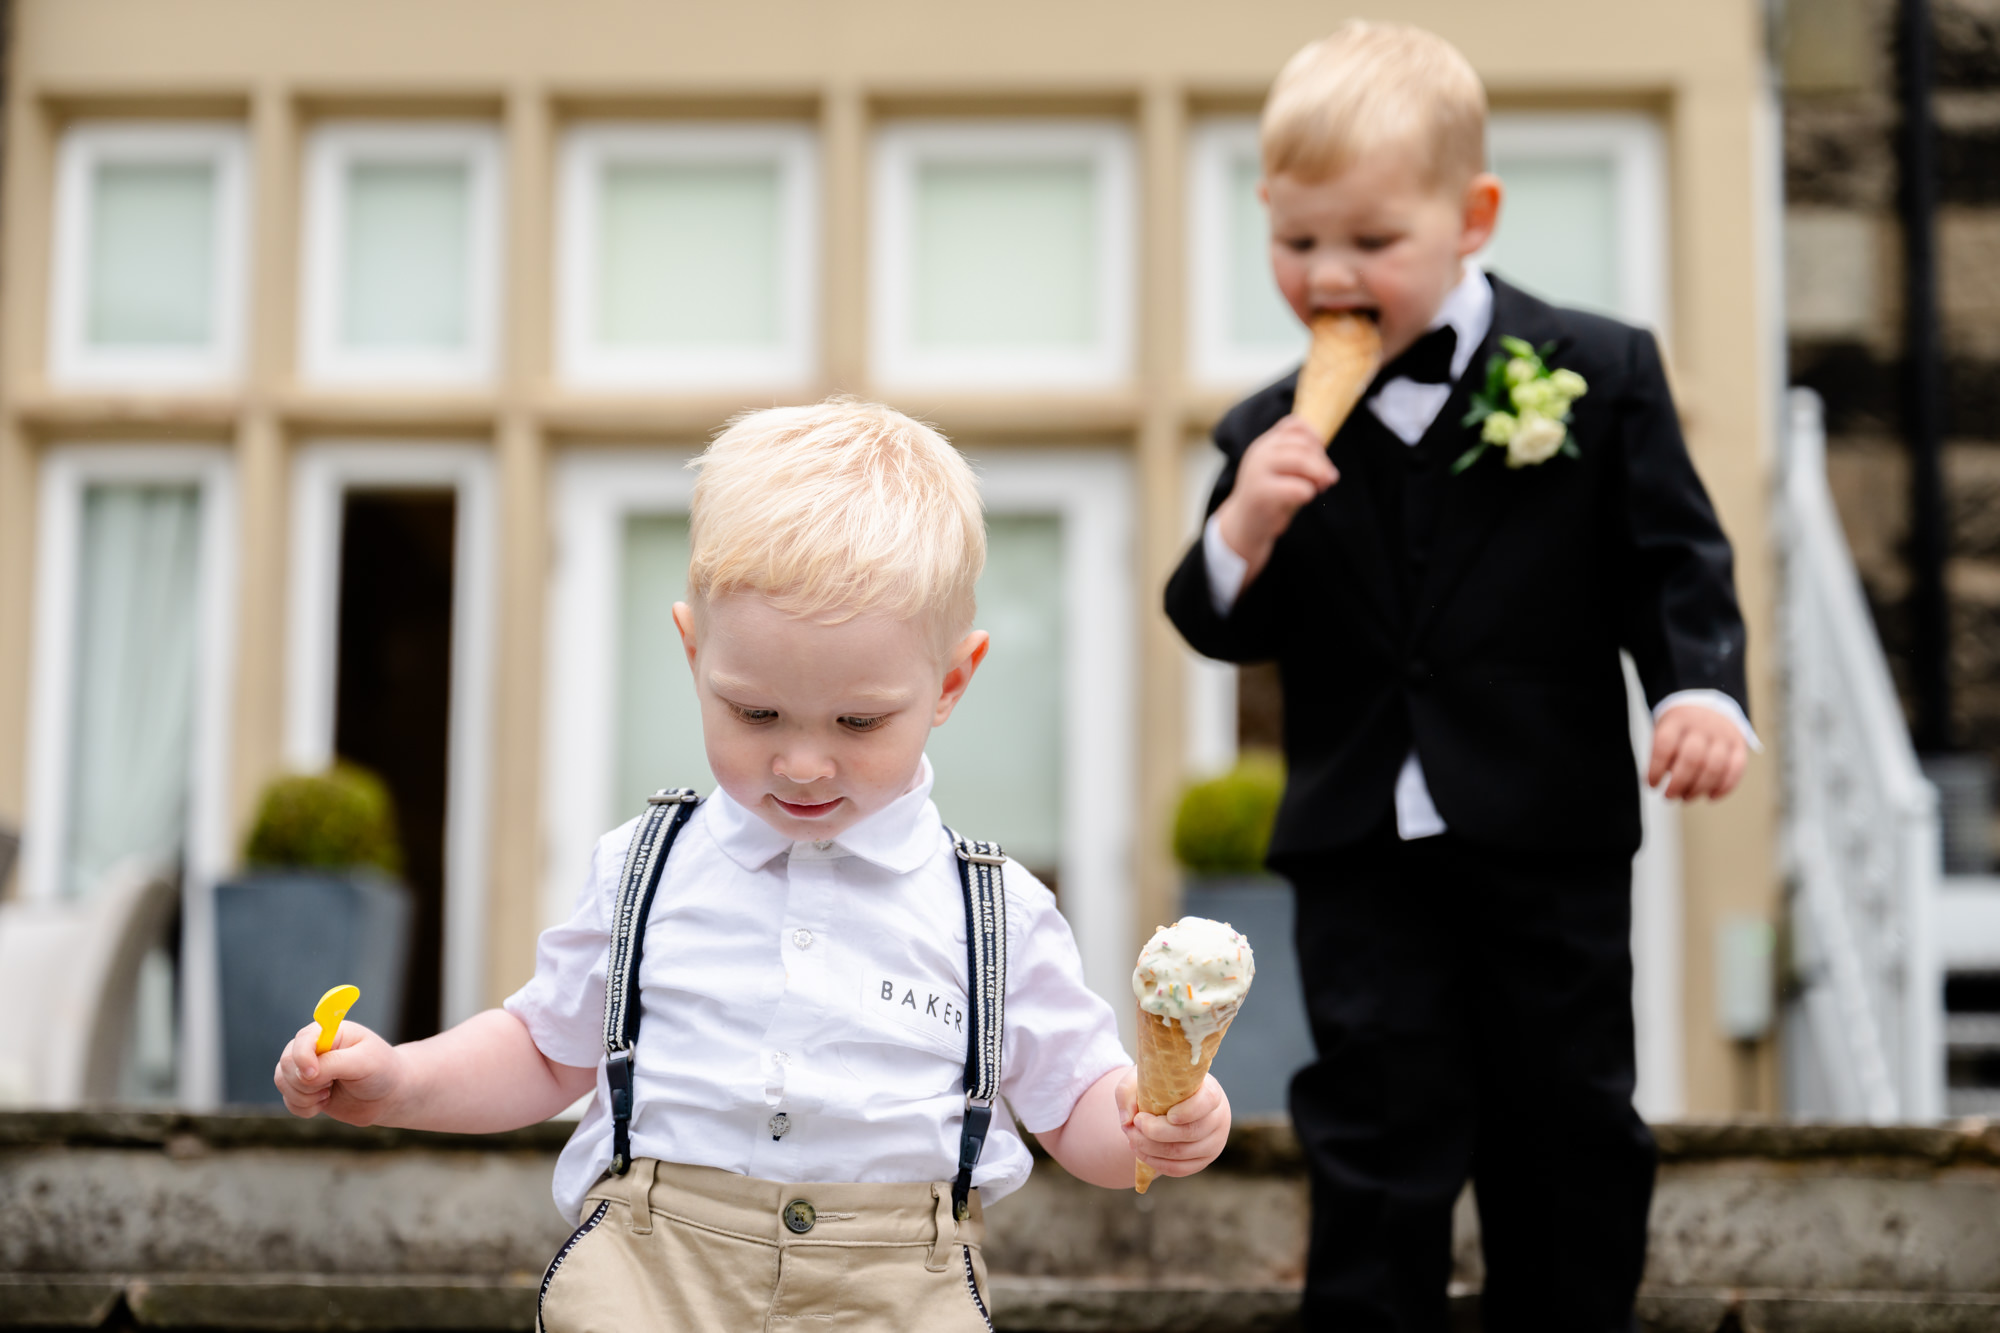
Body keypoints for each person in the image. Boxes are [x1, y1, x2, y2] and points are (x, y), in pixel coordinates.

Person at [276, 399, 1232, 1331]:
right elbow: (542, 1046)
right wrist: (401, 1079)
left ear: (950, 683)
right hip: (655, 1266)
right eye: (756, 713)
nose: (803, 762)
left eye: (858, 722)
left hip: (897, 1282)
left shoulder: (996, 910)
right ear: (696, 655)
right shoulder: (646, 867)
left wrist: (1158, 1125)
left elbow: (1078, 1113)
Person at [1164, 22, 1755, 1333]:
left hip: (1546, 838)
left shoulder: (1597, 376)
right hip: (1358, 848)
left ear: (1471, 216)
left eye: (1371, 243)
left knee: (1566, 1117)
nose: (1328, 275)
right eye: (1296, 242)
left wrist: (1698, 690)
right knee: (1377, 1122)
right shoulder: (1267, 430)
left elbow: (1676, 560)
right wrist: (1240, 531)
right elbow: (1213, 625)